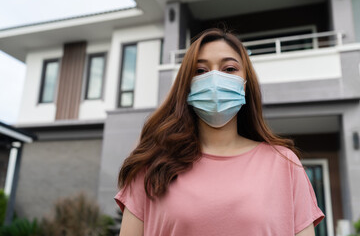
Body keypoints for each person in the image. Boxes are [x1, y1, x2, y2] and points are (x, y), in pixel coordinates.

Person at [114, 28, 325, 236]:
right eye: (200, 71)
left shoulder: (284, 164)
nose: (215, 79)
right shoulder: (152, 166)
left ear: (245, 84)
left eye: (230, 69)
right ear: (186, 86)